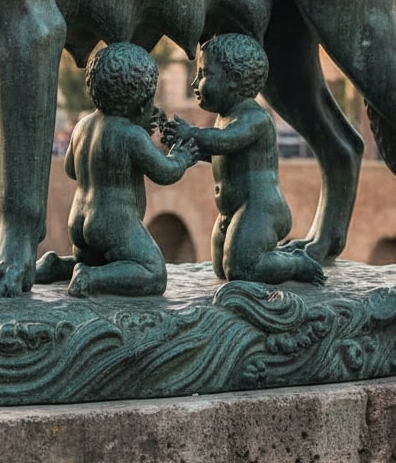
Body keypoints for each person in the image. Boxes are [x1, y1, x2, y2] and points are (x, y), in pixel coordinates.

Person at [35, 43, 199, 297]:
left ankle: (55, 265)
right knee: (152, 272)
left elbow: (71, 169)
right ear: (143, 103)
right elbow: (164, 172)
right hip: (113, 224)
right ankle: (90, 278)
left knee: (97, 259)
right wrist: (181, 157)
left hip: (79, 220)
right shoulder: (131, 135)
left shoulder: (83, 126)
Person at [163, 34, 325, 286]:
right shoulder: (224, 118)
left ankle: (295, 264)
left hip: (261, 208)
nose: (195, 83)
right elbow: (220, 152)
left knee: (242, 268)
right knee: (222, 269)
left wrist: (193, 133)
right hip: (233, 210)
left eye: (204, 74)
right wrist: (188, 149)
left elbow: (226, 141)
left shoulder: (254, 118)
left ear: (233, 81)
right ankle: (276, 256)